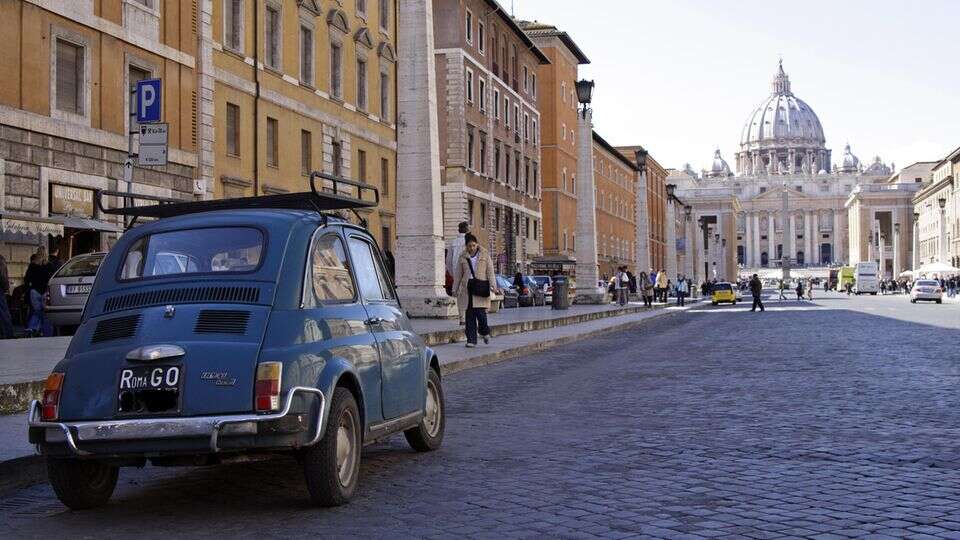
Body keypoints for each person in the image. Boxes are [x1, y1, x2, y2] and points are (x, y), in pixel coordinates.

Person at [451, 234, 500, 348]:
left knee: (481, 313)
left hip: (481, 286)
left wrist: (494, 286)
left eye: (473, 245)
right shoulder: (462, 257)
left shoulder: (485, 254)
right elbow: (458, 274)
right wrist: (455, 288)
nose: (472, 248)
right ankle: (471, 340)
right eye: (469, 246)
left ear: (477, 244)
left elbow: (490, 271)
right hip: (467, 288)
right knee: (469, 315)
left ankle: (484, 332)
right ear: (466, 246)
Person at [23, 252, 53, 337]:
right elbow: (52, 279)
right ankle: (44, 331)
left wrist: (28, 290)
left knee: (37, 312)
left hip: (34, 291)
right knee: (44, 313)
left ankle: (32, 328)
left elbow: (26, 279)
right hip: (45, 291)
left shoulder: (32, 266)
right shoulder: (49, 266)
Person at [0, 253, 13, 339]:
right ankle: (7, 333)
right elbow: (3, 276)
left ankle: (6, 333)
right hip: (0, 289)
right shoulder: (1, 259)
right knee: (3, 312)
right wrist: (6, 288)